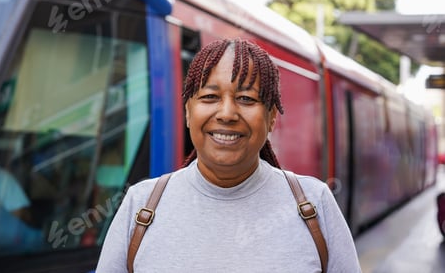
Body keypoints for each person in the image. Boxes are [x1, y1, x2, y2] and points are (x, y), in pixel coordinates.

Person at [95, 38, 361, 272]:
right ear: (188, 112)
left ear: (271, 118)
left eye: (246, 99)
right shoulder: (141, 206)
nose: (226, 114)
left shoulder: (315, 204)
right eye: (210, 96)